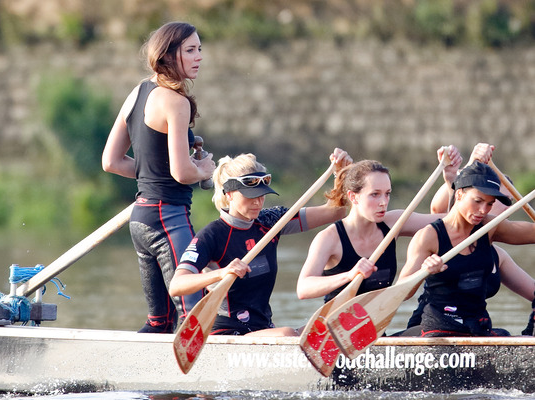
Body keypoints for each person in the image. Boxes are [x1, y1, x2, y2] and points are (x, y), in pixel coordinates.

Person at [101, 22, 216, 333]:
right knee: (195, 315)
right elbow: (182, 172)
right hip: (170, 219)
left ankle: (124, 374)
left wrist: (152, 175)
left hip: (140, 220)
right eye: (190, 50)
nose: (199, 57)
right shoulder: (176, 102)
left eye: (200, 49)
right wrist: (203, 170)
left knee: (160, 323)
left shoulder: (138, 91)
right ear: (168, 55)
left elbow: (110, 161)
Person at [168, 149, 353, 336]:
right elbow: (177, 285)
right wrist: (222, 273)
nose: (258, 201)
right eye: (250, 195)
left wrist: (341, 174)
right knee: (287, 335)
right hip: (226, 332)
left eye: (262, 194)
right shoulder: (212, 235)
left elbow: (336, 212)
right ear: (230, 193)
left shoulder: (271, 221)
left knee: (326, 329)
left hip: (262, 329)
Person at [296, 146, 461, 304]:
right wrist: (349, 275)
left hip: (377, 328)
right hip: (336, 327)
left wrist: (451, 179)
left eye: (387, 194)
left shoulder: (394, 223)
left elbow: (454, 222)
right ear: (353, 197)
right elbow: (303, 288)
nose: (383, 202)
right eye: (374, 195)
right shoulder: (330, 237)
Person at [400, 143, 535, 335]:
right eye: (478, 201)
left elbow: (531, 232)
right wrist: (423, 271)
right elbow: (401, 292)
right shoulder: (429, 236)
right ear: (460, 194)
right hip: (437, 329)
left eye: (489, 204)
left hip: (476, 327)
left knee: (504, 334)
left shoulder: (488, 228)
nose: (483, 211)